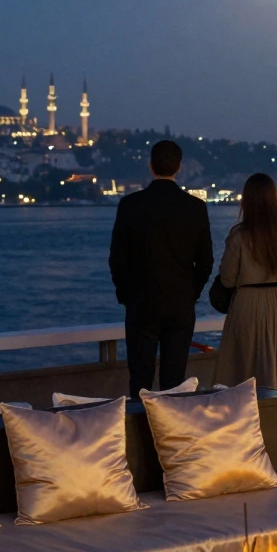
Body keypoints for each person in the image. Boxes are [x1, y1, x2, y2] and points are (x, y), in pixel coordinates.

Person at [109, 140, 214, 399]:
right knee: (174, 382)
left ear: (150, 166)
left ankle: (141, 433)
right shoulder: (195, 207)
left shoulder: (131, 205)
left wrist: (126, 294)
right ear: (179, 167)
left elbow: (117, 259)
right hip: (179, 305)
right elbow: (206, 261)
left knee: (140, 380)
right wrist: (191, 293)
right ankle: (171, 435)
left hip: (142, 303)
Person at [214, 173, 277, 391]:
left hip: (249, 302)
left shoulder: (240, 235)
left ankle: (245, 415)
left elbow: (227, 278)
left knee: (244, 366)